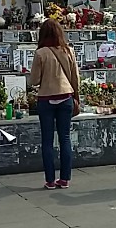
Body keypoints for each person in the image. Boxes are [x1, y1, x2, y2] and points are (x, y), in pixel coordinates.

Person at [29, 19, 80, 189]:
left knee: (47, 140)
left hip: (46, 99)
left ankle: (50, 180)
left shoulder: (41, 53)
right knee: (65, 138)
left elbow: (34, 81)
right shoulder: (69, 51)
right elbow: (75, 78)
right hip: (66, 97)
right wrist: (77, 97)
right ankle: (65, 179)